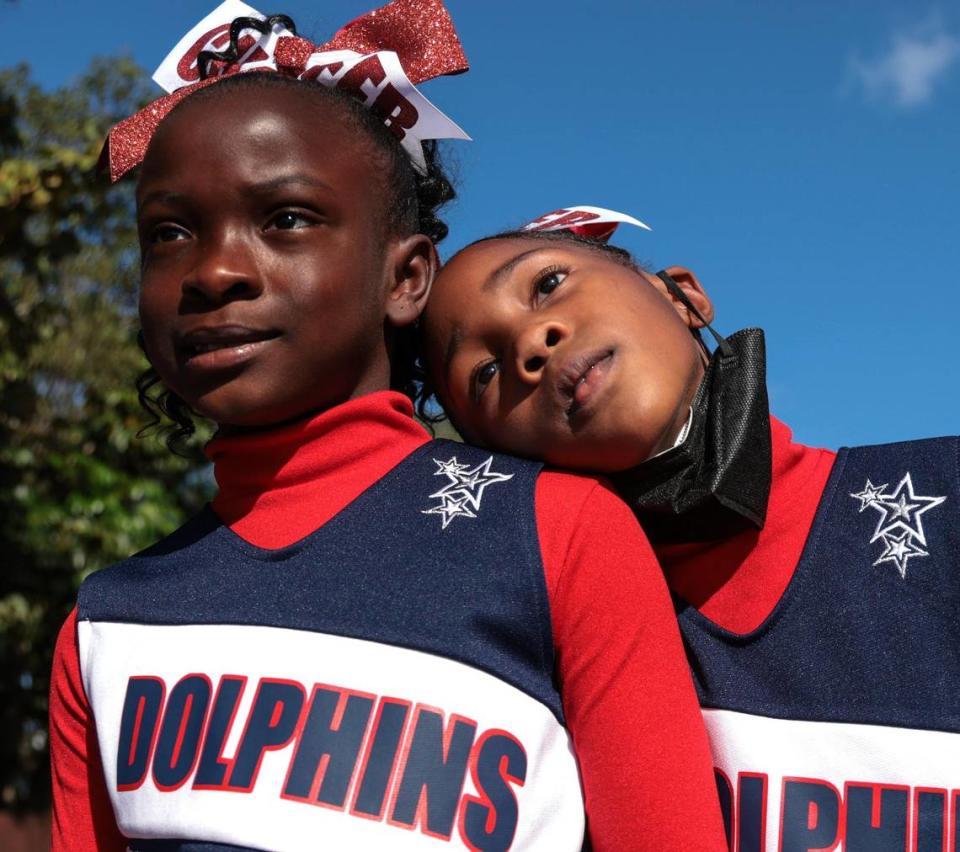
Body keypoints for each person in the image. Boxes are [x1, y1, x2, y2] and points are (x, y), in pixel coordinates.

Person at [48, 7, 727, 850]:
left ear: (405, 277)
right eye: (169, 233)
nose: (215, 270)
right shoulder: (108, 623)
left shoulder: (559, 537)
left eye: (286, 219)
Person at [418, 205, 960, 852]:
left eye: (547, 285)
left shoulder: (943, 488)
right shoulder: (536, 650)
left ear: (682, 296)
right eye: (484, 374)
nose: (531, 345)